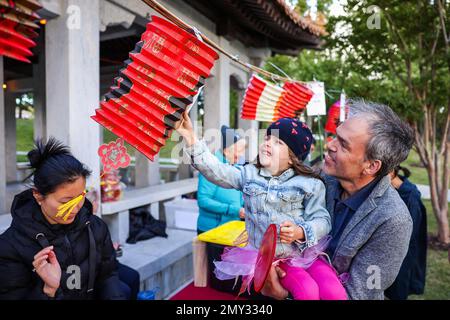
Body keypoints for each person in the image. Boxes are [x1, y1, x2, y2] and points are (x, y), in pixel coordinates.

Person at [177, 114, 347, 300]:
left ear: (292, 158)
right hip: (274, 259)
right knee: (307, 291)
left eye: (278, 142)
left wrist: (300, 231)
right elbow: (217, 170)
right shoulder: (249, 174)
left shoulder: (310, 184)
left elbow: (322, 220)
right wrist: (191, 139)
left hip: (304, 253)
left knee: (334, 291)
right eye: (267, 138)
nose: (268, 143)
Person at [261, 100, 415, 300]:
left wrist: (284, 295)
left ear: (371, 166)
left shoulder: (393, 221)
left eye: (343, 144)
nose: (330, 144)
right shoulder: (320, 179)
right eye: (335, 136)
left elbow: (360, 294)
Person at [0, 138, 126, 300]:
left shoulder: (95, 226)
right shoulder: (10, 247)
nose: (75, 208)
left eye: (80, 197)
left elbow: (108, 275)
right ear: (38, 196)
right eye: (66, 202)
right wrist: (48, 291)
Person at [385, 166, 427, 300]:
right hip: (387, 253)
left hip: (403, 254)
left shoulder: (410, 197)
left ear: (391, 173)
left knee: (397, 290)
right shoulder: (390, 190)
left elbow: (409, 234)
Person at [196, 125, 246, 235]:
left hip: (232, 228)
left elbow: (238, 196)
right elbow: (203, 200)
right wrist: (234, 210)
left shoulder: (234, 166)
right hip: (212, 230)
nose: (242, 154)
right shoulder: (211, 167)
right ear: (227, 151)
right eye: (240, 150)